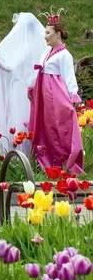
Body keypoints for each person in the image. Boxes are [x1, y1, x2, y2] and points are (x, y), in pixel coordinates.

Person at [28, 10, 84, 174]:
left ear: (57, 34)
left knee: (58, 127)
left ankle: (65, 160)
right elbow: (38, 71)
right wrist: (32, 87)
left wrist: (73, 95)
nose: (45, 36)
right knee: (46, 127)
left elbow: (69, 76)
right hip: (44, 95)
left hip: (56, 96)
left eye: (47, 33)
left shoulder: (64, 55)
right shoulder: (46, 52)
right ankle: (49, 161)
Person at [0, 13, 47, 154]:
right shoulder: (39, 44)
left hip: (20, 87)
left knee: (21, 119)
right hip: (35, 86)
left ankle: (21, 152)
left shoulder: (24, 46)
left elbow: (9, 66)